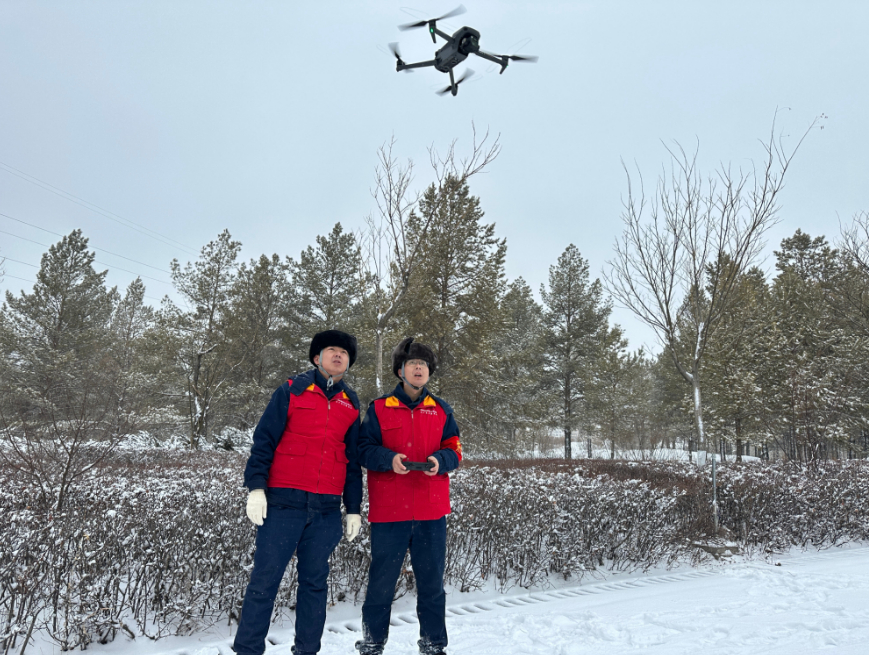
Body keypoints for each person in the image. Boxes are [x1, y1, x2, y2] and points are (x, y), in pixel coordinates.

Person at [233, 330, 363, 655]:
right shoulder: (291, 390)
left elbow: (351, 461)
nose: (338, 355)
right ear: (316, 357)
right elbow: (264, 441)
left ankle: (307, 651)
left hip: (326, 511)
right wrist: (256, 489)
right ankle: (248, 650)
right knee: (264, 582)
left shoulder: (351, 403)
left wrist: (354, 508)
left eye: (344, 352)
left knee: (315, 586)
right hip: (282, 505)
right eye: (330, 349)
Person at [355, 337, 463, 655]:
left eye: (424, 364)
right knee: (381, 585)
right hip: (391, 513)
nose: (419, 368)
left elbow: (454, 449)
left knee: (431, 586)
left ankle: (434, 645)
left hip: (431, 512)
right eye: (413, 363)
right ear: (400, 370)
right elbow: (363, 449)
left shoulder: (441, 410)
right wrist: (389, 460)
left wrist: (439, 462)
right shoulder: (378, 409)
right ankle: (372, 644)